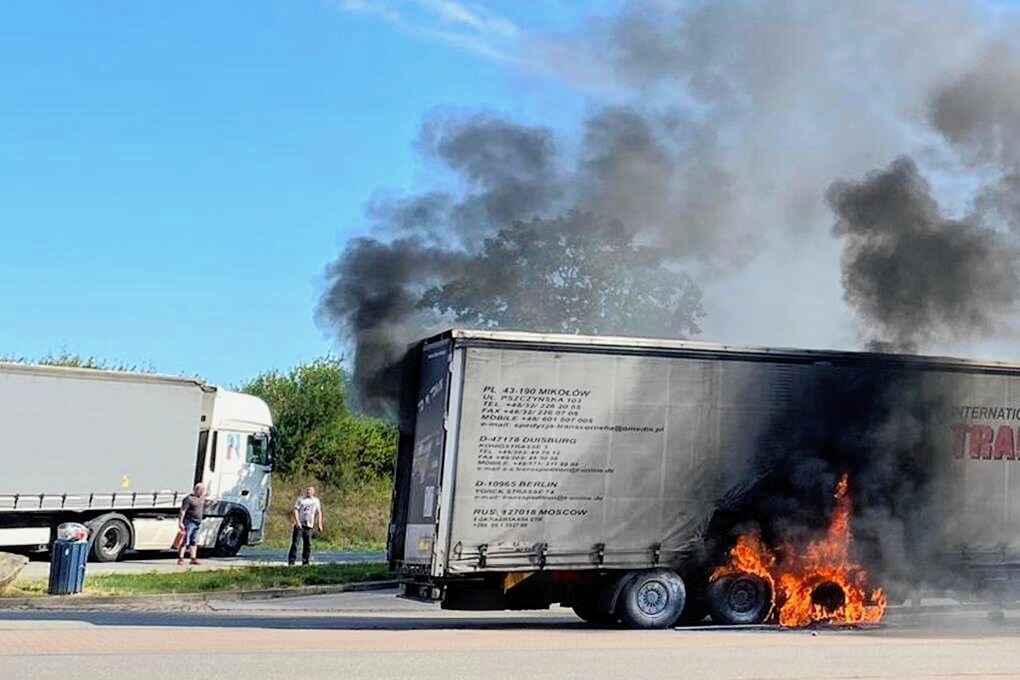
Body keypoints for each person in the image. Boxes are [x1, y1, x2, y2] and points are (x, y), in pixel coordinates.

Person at [288, 486, 323, 566]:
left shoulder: (316, 501)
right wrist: (297, 522)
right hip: (300, 525)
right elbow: (296, 510)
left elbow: (319, 512)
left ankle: (305, 561)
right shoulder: (301, 499)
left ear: (313, 492)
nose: (308, 492)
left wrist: (319, 524)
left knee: (308, 544)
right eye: (307, 490)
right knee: (295, 543)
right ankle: (291, 561)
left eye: (310, 491)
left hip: (309, 525)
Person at [177, 483, 208, 566]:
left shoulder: (201, 499)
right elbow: (183, 511)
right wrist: (180, 522)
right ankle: (181, 558)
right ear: (196, 490)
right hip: (189, 521)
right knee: (185, 540)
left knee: (194, 541)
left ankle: (193, 558)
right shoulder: (189, 499)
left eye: (203, 490)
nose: (202, 492)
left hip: (198, 522)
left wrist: (212, 503)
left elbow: (202, 507)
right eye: (201, 490)